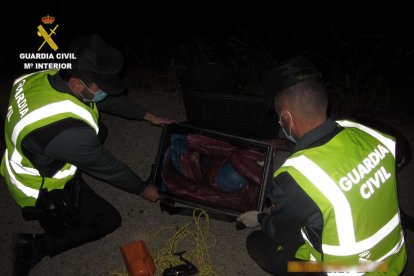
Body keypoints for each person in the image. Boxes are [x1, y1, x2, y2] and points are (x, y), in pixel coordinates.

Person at [1, 33, 175, 275]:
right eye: (102, 87)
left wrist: (147, 115)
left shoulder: (46, 75)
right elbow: (107, 167)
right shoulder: (67, 131)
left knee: (96, 130)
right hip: (40, 185)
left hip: (42, 149)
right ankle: (34, 246)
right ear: (76, 84)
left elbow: (105, 101)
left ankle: (72, 170)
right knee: (109, 221)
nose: (105, 92)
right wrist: (144, 189)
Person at [237, 56, 407, 275]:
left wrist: (259, 218)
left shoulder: (297, 178)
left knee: (259, 243)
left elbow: (276, 229)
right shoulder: (366, 133)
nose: (280, 123)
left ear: (287, 118)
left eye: (279, 118)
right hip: (393, 259)